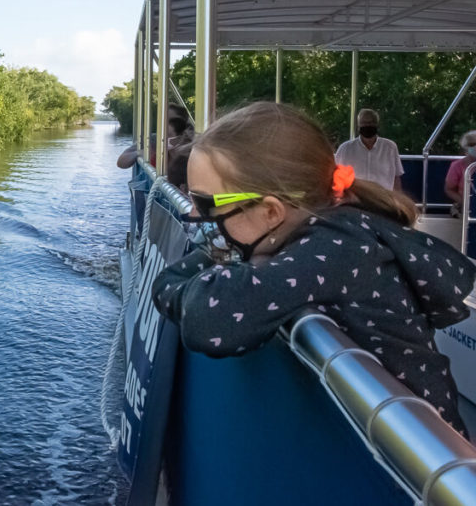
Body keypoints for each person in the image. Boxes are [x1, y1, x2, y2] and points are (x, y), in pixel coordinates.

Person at [151, 102, 475, 435]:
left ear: (272, 213)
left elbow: (208, 319)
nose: (192, 214)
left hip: (418, 463)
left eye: (205, 203)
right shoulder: (328, 230)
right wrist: (238, 253)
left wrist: (224, 258)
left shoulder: (337, 248)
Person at [334, 108, 404, 191]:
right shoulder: (345, 149)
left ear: (377, 125)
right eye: (363, 123)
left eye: (371, 122)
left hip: (382, 198)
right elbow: (336, 176)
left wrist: (397, 201)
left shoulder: (390, 147)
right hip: (355, 199)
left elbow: (396, 177)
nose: (367, 125)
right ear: (358, 126)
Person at [444, 130, 476, 216]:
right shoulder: (456, 166)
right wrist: (464, 202)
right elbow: (449, 189)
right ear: (466, 147)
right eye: (472, 144)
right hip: (466, 208)